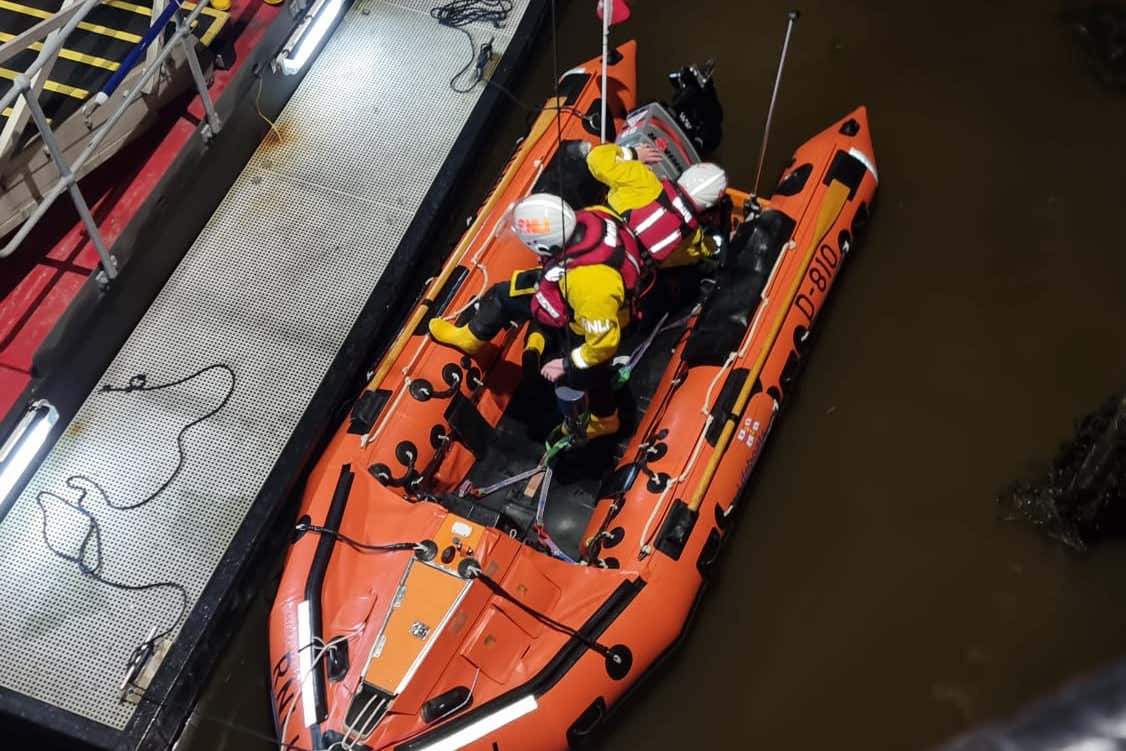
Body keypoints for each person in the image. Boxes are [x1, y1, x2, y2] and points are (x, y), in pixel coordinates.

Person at [427, 193, 646, 439]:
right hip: (566, 284)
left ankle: (604, 419)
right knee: (503, 295)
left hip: (587, 323)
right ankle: (471, 337)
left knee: (589, 374)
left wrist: (566, 363)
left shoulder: (590, 284)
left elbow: (603, 343)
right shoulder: (595, 213)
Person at [585, 142, 728, 268]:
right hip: (617, 269)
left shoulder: (645, 181)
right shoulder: (691, 234)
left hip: (586, 241)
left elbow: (595, 158)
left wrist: (633, 154)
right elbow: (699, 252)